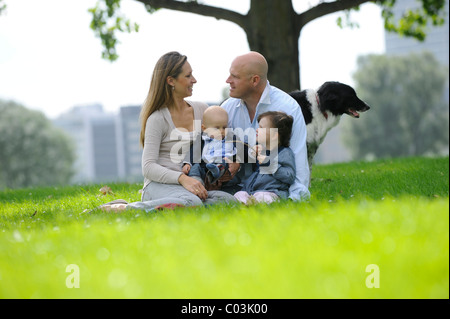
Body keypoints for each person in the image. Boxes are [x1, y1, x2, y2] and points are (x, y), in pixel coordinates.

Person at [99, 52, 235, 212]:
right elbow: (148, 167)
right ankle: (123, 208)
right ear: (171, 81)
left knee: (228, 201)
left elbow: (213, 145)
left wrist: (218, 171)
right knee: (192, 203)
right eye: (188, 75)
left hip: (191, 184)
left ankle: (173, 203)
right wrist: (182, 178)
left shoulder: (202, 110)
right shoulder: (157, 119)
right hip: (160, 185)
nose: (194, 80)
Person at [220, 51, 310, 201]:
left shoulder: (288, 107)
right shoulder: (227, 109)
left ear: (254, 80)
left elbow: (298, 162)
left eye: (234, 76)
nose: (228, 80)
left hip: (273, 190)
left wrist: (294, 199)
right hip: (237, 189)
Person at [234, 111, 296, 204]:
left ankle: (252, 203)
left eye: (261, 128)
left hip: (272, 192)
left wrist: (269, 163)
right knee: (239, 194)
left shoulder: (284, 153)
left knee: (263, 197)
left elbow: (289, 177)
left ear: (274, 135)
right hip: (252, 191)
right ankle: (247, 203)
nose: (257, 130)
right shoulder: (262, 149)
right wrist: (252, 152)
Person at [182, 105, 243, 184]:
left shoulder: (232, 138)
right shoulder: (201, 139)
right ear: (204, 128)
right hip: (205, 167)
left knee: (224, 164)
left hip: (224, 167)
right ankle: (196, 180)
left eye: (224, 127)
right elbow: (193, 152)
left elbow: (242, 149)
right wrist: (187, 163)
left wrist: (238, 161)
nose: (221, 131)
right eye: (216, 128)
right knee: (195, 167)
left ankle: (217, 171)